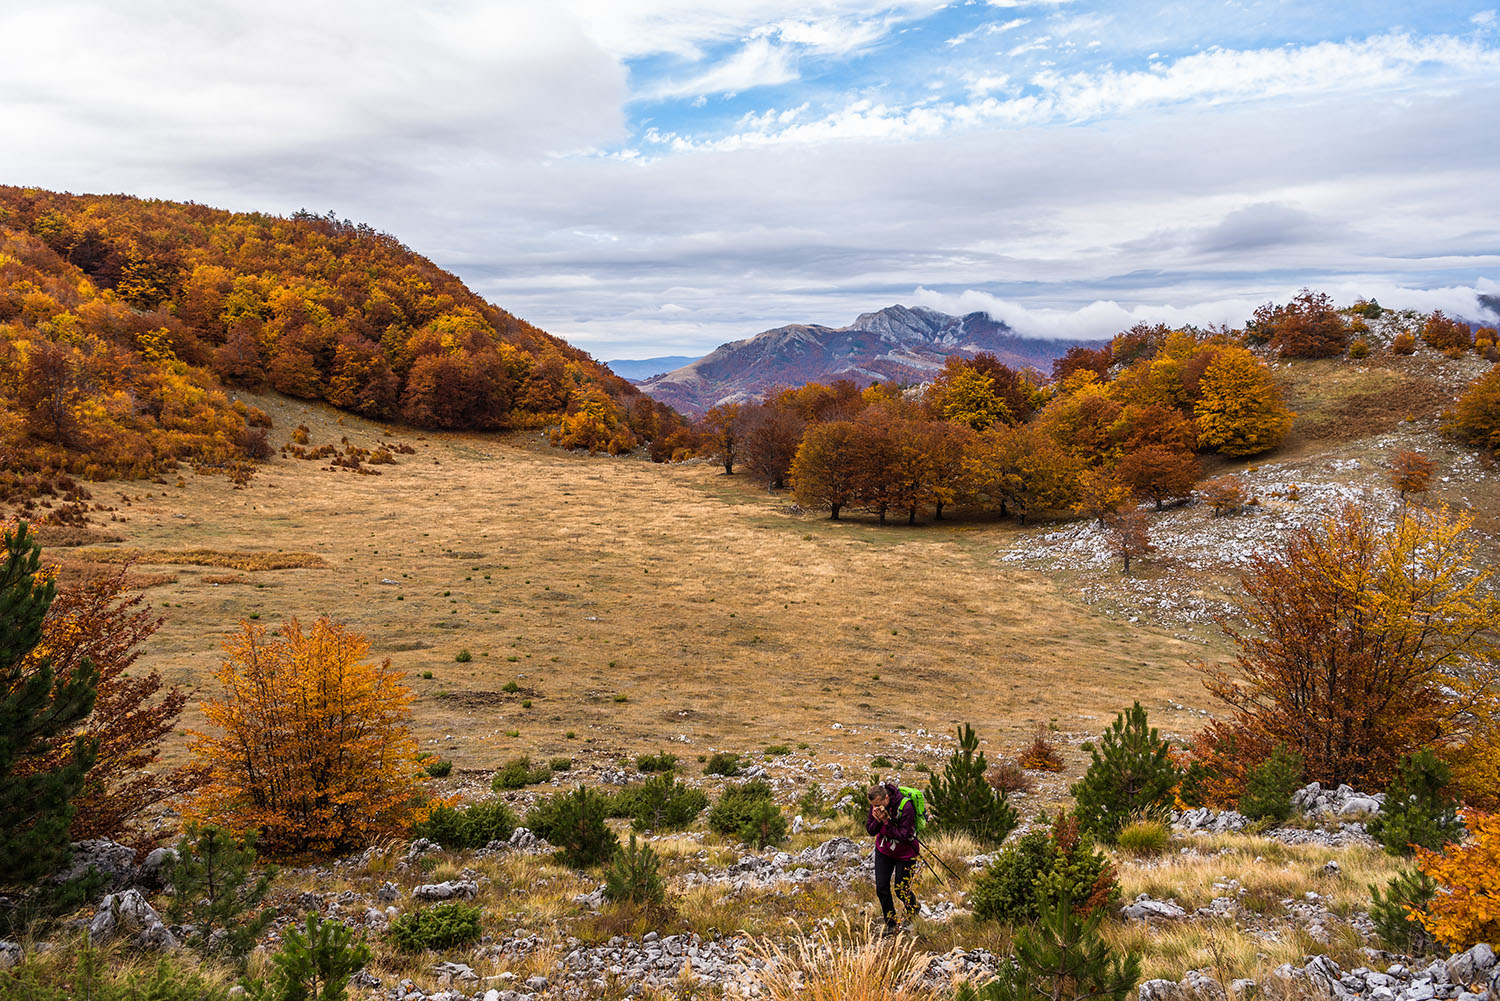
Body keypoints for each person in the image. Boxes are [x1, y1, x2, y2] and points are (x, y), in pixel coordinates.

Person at [865, 781, 919, 936]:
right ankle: (891, 923)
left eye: (878, 805)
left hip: (906, 853)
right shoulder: (875, 806)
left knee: (901, 889)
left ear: (886, 798)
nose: (875, 808)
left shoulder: (906, 807)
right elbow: (870, 830)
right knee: (882, 888)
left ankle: (913, 909)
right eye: (873, 806)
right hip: (884, 850)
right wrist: (877, 819)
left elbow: (904, 836)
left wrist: (886, 822)